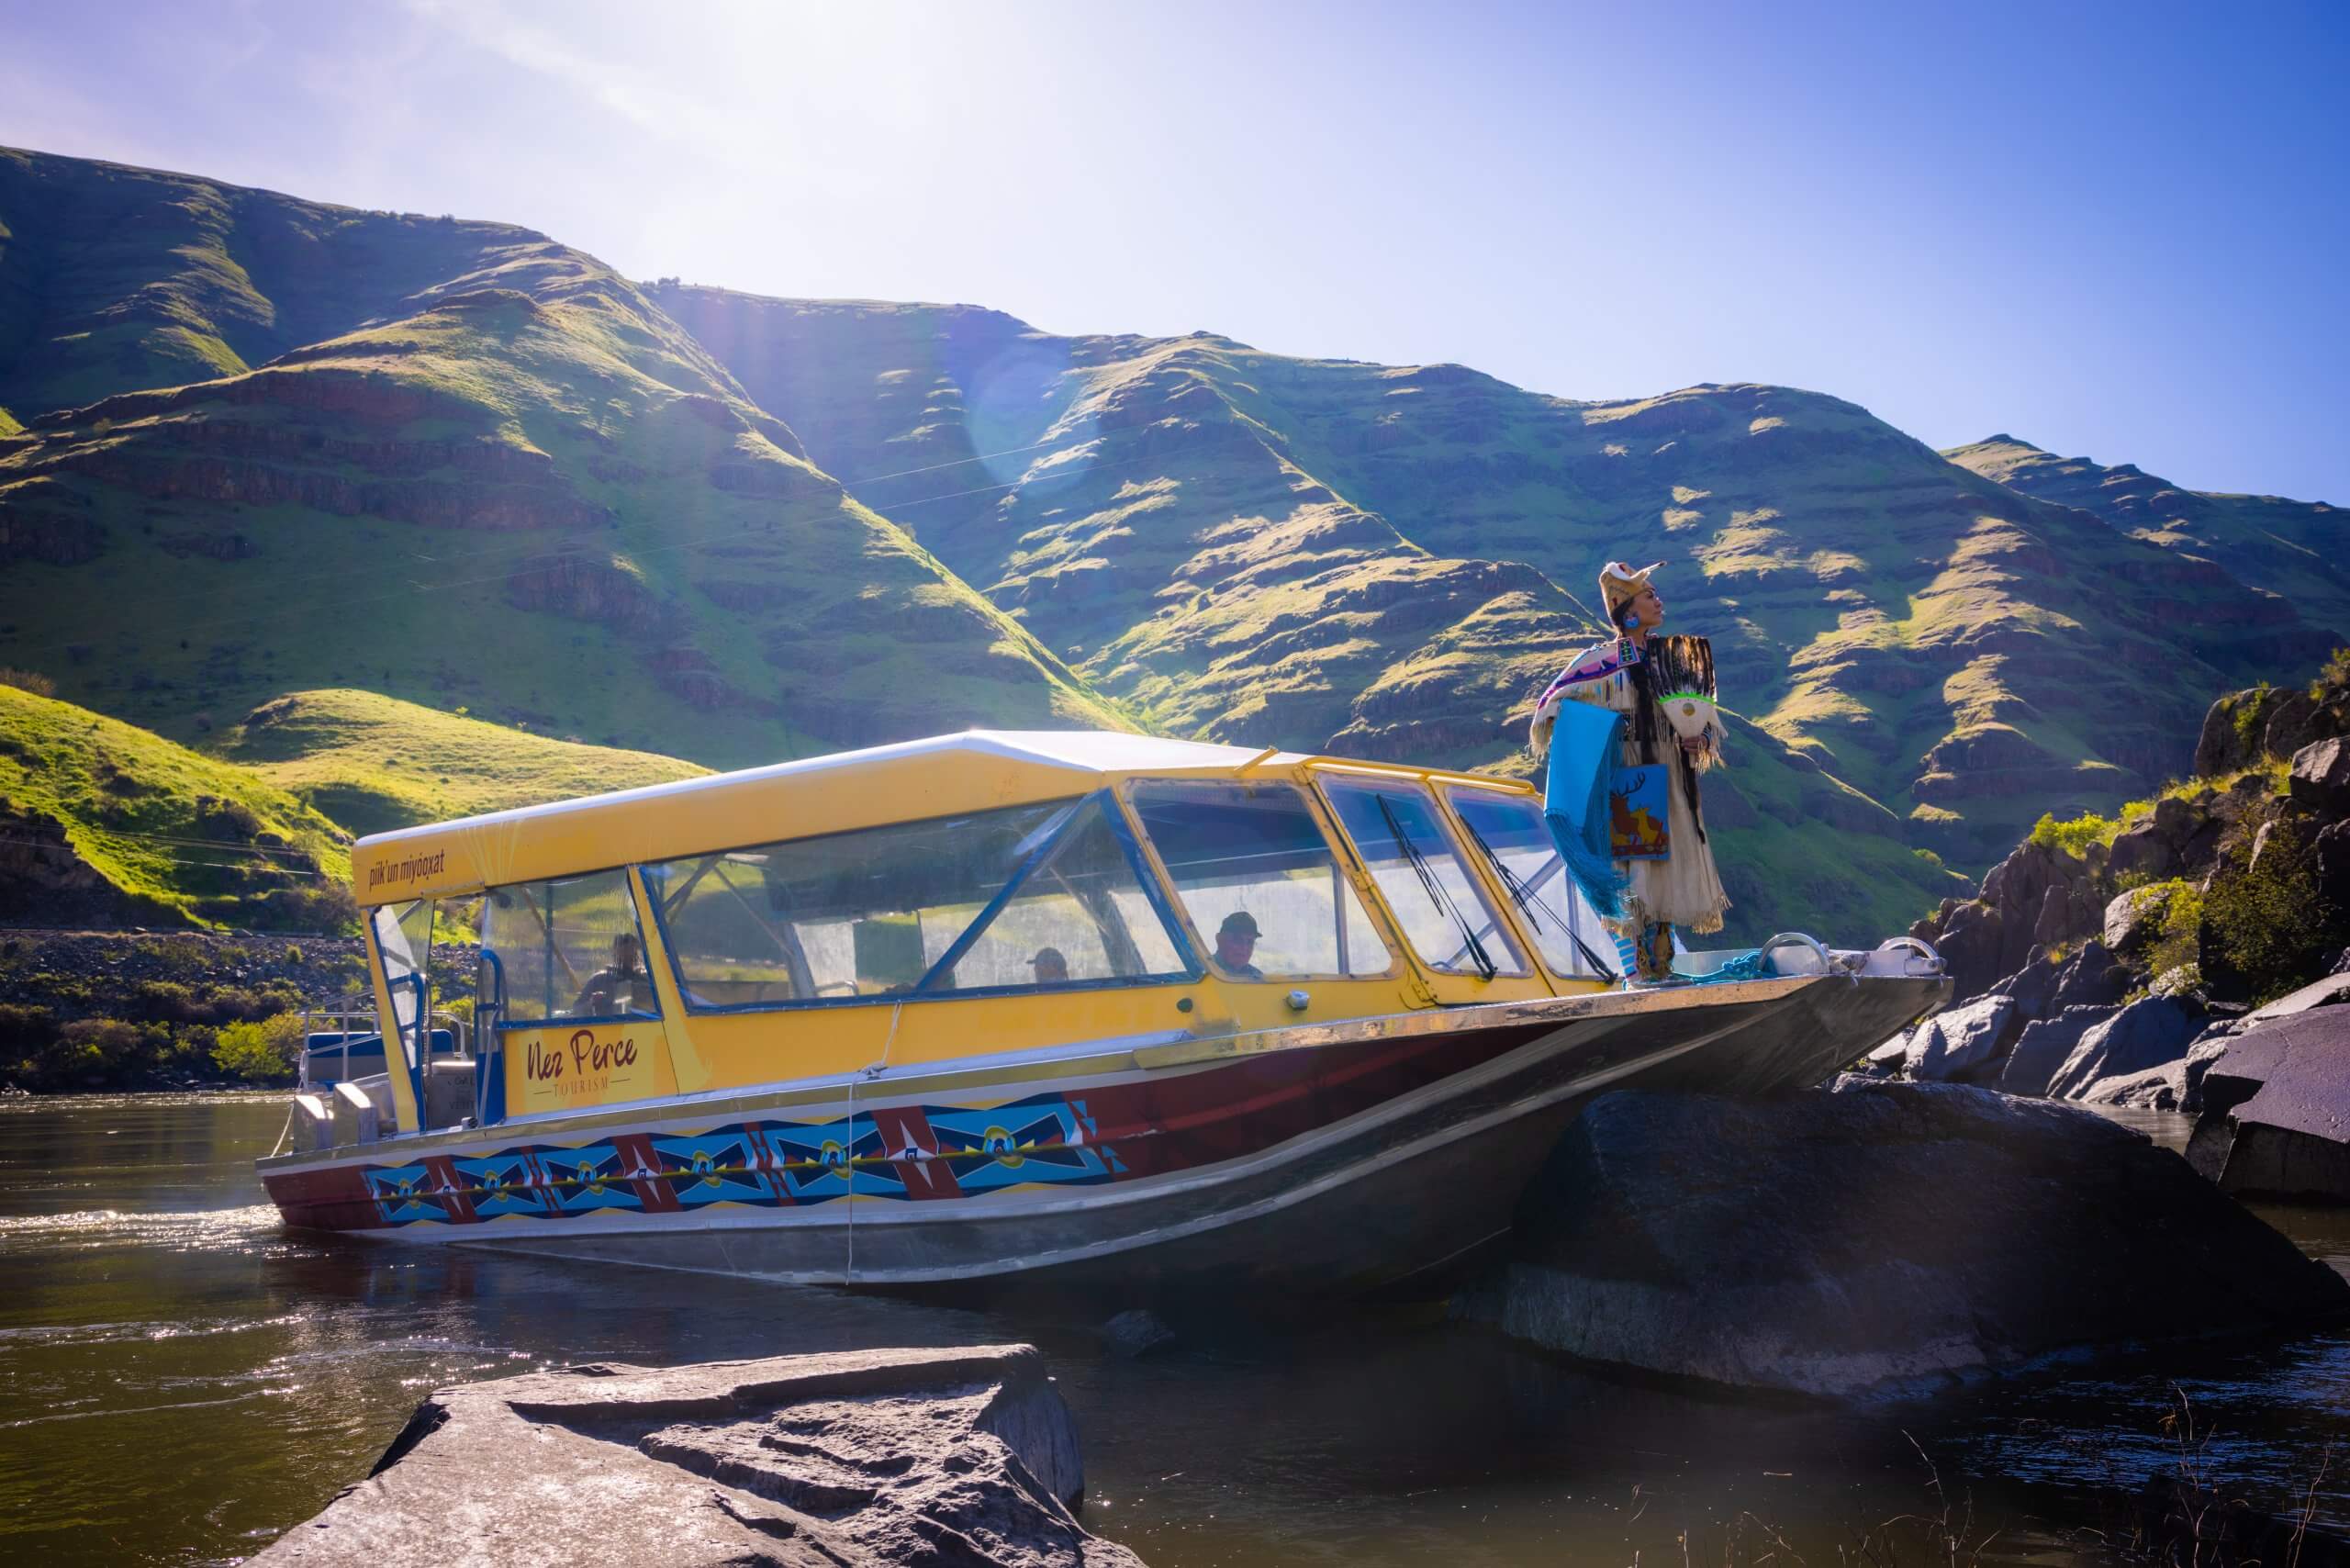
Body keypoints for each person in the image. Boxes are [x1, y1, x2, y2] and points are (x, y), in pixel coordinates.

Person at [1529, 560, 1729, 981]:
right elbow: (1549, 709)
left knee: (1664, 870)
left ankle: (1660, 968)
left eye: (1656, 594)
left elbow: (1708, 725)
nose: (1659, 600)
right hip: (1628, 780)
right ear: (1628, 610)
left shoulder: (1674, 660)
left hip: (1671, 779)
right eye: (1649, 595)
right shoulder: (1597, 664)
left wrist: (1699, 741)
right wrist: (1599, 732)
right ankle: (1638, 973)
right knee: (1633, 874)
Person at [571, 932, 650, 1015]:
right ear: (616, 955)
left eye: (632, 957)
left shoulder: (646, 980)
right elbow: (576, 1009)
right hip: (608, 1026)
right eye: (623, 956)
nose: (627, 962)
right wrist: (592, 1002)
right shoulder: (599, 980)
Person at [1214, 910, 1264, 979]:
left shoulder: (1257, 977)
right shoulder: (1201, 972)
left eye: (1250, 942)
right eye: (1237, 940)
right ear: (1220, 940)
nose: (1244, 947)